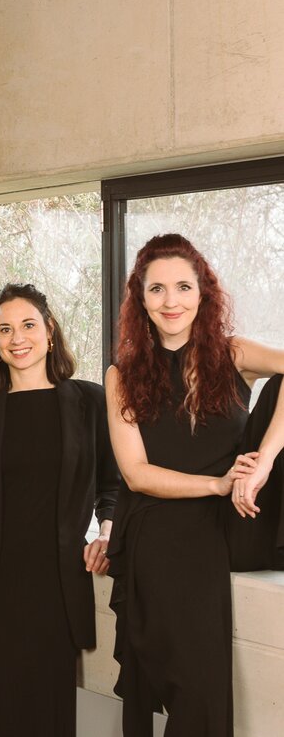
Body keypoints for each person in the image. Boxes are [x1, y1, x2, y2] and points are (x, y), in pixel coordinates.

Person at [105, 233, 284, 737]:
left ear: (203, 293)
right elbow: (136, 474)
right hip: (161, 520)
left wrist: (264, 461)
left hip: (236, 514)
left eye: (183, 287)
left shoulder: (235, 353)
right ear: (140, 300)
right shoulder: (121, 376)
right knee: (195, 684)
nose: (171, 301)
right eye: (156, 289)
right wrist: (215, 484)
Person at [0, 283, 118, 737]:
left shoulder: (90, 402)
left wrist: (108, 530)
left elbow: (114, 483)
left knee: (46, 720)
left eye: (28, 325)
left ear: (49, 330)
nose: (17, 338)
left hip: (55, 595)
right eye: (5, 329)